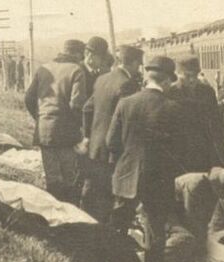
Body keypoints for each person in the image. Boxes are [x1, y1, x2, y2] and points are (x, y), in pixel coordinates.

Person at [107, 55, 188, 262]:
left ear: (147, 77)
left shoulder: (126, 103)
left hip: (125, 175)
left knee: (118, 226)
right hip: (158, 179)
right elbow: (181, 150)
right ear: (167, 82)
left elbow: (111, 142)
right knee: (155, 232)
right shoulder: (174, 108)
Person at [81, 44, 143, 221]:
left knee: (93, 192)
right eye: (138, 65)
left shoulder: (102, 79)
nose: (138, 69)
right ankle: (105, 236)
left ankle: (87, 227)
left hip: (96, 146)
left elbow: (87, 108)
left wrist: (88, 136)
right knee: (109, 197)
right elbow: (126, 120)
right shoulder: (127, 84)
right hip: (113, 149)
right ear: (133, 63)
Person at [24, 39, 89, 203]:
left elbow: (28, 98)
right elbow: (76, 104)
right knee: (69, 180)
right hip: (66, 133)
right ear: (77, 54)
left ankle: (53, 221)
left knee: (52, 180)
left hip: (44, 130)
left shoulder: (43, 68)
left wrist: (40, 118)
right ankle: (71, 221)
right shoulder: (76, 70)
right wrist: (79, 128)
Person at [171, 56, 224, 171]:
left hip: (203, 149)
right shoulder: (171, 93)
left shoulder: (207, 92)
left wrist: (219, 153)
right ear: (178, 74)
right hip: (180, 151)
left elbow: (216, 124)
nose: (192, 80)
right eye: (187, 76)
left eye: (195, 76)